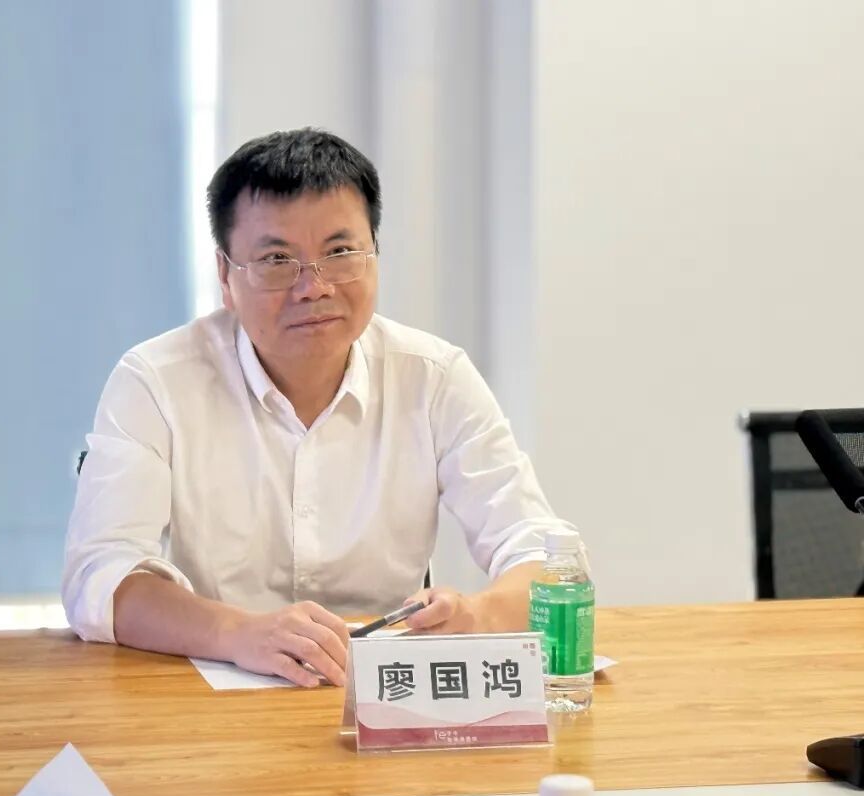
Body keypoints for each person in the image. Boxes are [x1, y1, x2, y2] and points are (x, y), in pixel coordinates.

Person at [62, 128, 579, 688]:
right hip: (206, 691)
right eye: (277, 260)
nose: (313, 288)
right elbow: (100, 578)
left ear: (374, 254)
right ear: (226, 277)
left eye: (339, 254)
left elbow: (546, 554)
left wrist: (477, 617)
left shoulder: (434, 377)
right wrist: (237, 633)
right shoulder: (156, 382)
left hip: (385, 695)